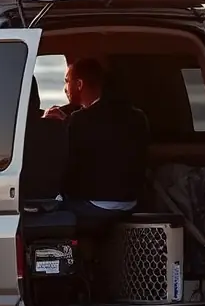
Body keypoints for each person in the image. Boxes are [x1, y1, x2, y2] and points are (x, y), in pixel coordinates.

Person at [59, 58, 150, 219]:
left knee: (47, 208)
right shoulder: (138, 116)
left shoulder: (79, 120)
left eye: (67, 81)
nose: (65, 88)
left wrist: (60, 125)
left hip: (95, 205)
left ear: (79, 84)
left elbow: (67, 168)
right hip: (131, 203)